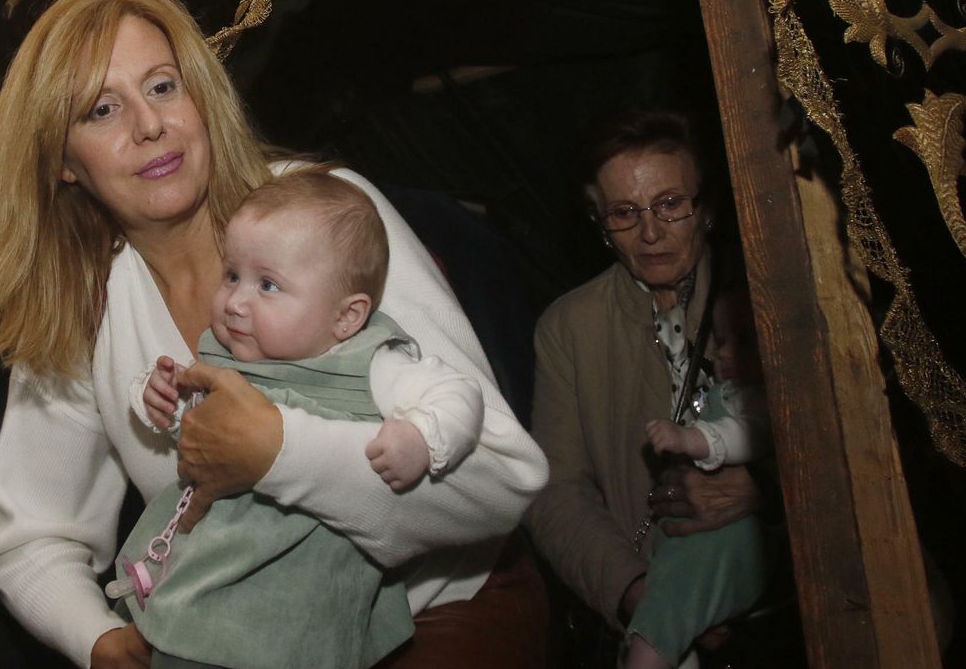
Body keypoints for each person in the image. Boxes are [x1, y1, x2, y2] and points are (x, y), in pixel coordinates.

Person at [0, 0, 549, 669]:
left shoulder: (325, 219)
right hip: (244, 648)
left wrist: (280, 453)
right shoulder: (81, 303)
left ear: (201, 96)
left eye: (162, 87)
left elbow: (501, 481)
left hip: (434, 617)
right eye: (101, 109)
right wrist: (98, 639)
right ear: (62, 161)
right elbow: (30, 539)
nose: (149, 125)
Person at [117, 169, 486, 668]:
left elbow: (458, 393)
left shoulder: (369, 363)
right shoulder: (226, 354)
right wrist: (159, 395)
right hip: (206, 571)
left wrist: (422, 436)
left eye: (268, 285)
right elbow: (195, 422)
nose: (236, 302)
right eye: (232, 275)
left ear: (346, 317)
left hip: (299, 597)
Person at [525, 109, 765, 658]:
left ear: (706, 209)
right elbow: (556, 491)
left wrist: (767, 489)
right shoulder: (569, 328)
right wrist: (642, 595)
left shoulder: (763, 295)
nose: (650, 232)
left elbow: (849, 436)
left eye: (670, 204)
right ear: (601, 225)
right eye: (625, 213)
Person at [624, 286, 773, 668]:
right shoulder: (727, 391)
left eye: (745, 342)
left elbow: (746, 434)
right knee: (670, 614)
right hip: (684, 539)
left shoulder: (762, 398)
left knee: (664, 619)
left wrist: (690, 440)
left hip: (722, 544)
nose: (725, 354)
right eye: (720, 342)